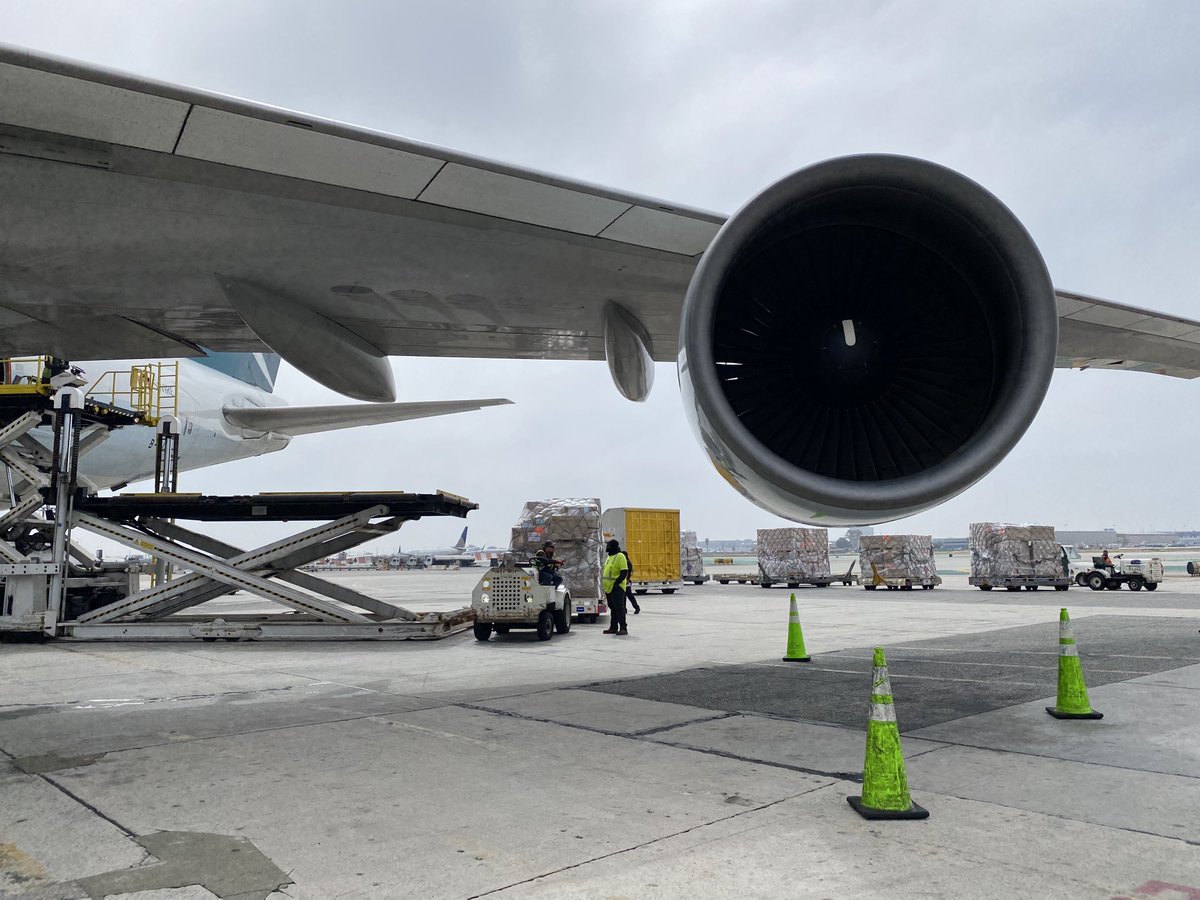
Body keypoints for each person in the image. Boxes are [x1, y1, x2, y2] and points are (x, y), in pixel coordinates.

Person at [601, 538, 631, 636]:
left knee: (619, 608)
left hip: (617, 587)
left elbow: (624, 571)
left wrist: (617, 583)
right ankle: (613, 627)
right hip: (608, 587)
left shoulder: (620, 556)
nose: (606, 547)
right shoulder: (609, 557)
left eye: (608, 545)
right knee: (613, 608)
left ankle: (623, 628)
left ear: (612, 546)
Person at [623, 549, 641, 614]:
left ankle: (636, 607)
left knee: (628, 596)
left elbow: (629, 572)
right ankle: (625, 609)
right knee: (625, 596)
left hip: (626, 582)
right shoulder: (626, 562)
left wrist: (627, 580)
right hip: (625, 582)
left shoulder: (627, 562)